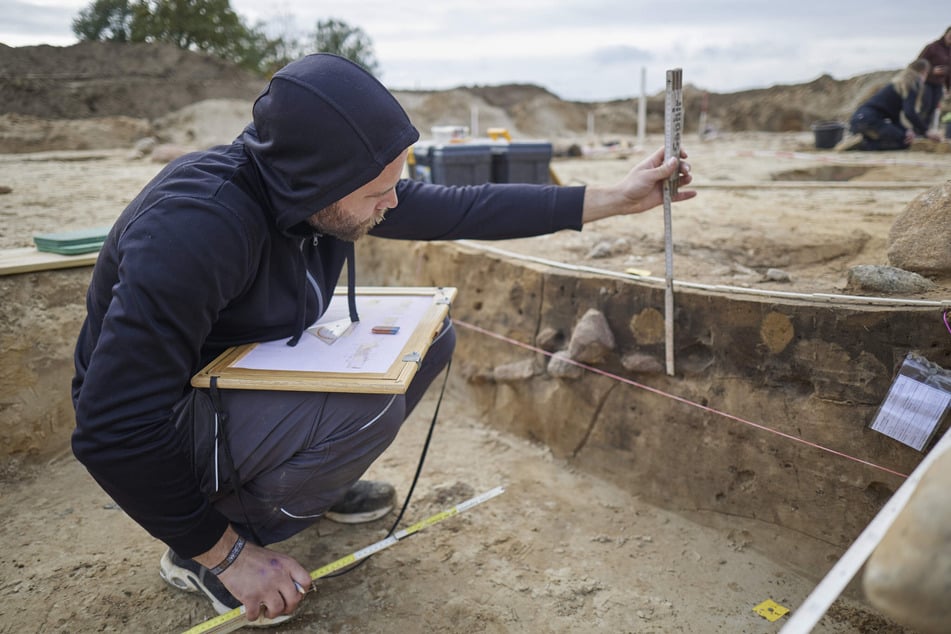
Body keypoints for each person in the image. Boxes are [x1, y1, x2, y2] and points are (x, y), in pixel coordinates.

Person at [70, 53, 695, 626]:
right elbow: (111, 425)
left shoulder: (312, 187)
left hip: (233, 383)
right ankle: (203, 548)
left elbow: (459, 206)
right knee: (364, 402)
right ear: (317, 183)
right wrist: (227, 553)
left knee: (429, 336)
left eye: (394, 182)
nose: (391, 203)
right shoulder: (198, 229)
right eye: (377, 192)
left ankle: (297, 492)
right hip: (172, 421)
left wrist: (611, 199)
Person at [836, 59, 940, 151]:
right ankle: (864, 144)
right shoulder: (913, 82)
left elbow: (894, 117)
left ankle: (860, 139)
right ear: (924, 72)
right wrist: (926, 131)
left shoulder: (898, 83)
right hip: (870, 120)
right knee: (903, 142)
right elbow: (909, 112)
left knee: (903, 135)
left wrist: (906, 131)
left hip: (858, 120)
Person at [915, 26, 951, 132]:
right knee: (925, 106)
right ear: (946, 33)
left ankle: (927, 131)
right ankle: (918, 131)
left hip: (939, 84)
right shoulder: (932, 47)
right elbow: (919, 63)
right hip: (926, 82)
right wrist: (932, 71)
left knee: (933, 108)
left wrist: (949, 87)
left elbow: (949, 72)